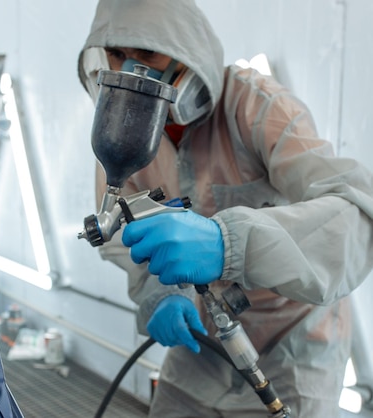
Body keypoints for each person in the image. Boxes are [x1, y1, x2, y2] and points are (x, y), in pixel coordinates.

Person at [77, 0, 373, 416]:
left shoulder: (257, 105)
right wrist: (158, 294)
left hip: (294, 341)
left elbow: (356, 214)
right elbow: (122, 234)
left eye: (147, 55)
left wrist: (228, 243)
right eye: (117, 55)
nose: (131, 73)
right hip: (204, 333)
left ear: (186, 53)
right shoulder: (124, 132)